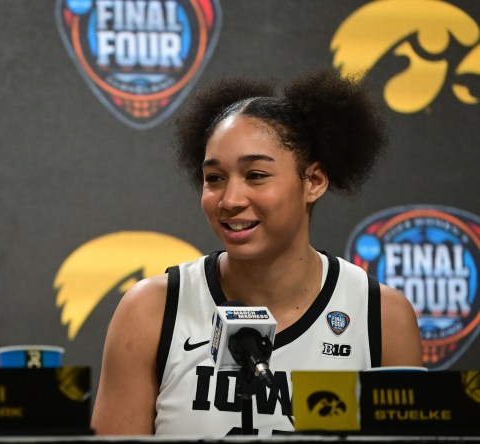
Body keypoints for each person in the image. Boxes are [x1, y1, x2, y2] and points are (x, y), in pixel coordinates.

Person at [91, 68, 422, 436]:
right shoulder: (151, 309)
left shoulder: (382, 316)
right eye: (214, 179)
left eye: (256, 176)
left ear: (313, 181)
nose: (230, 200)